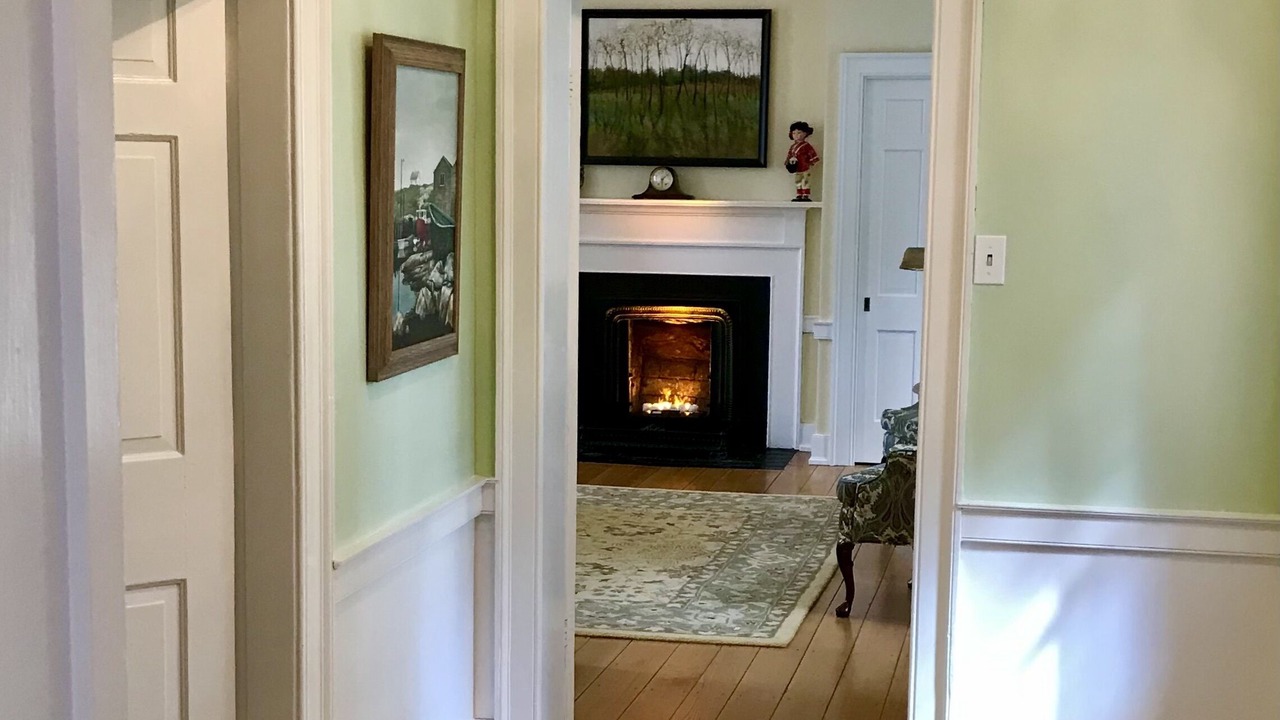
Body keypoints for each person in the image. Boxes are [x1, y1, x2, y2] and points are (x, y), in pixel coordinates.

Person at [785, 121, 820, 202]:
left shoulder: (806, 146)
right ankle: (799, 194)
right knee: (798, 181)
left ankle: (805, 195)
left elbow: (812, 154)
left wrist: (812, 162)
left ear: (805, 133)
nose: (796, 135)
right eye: (794, 133)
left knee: (805, 181)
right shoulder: (793, 147)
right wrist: (788, 162)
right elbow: (789, 155)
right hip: (797, 167)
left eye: (799, 133)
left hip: (805, 166)